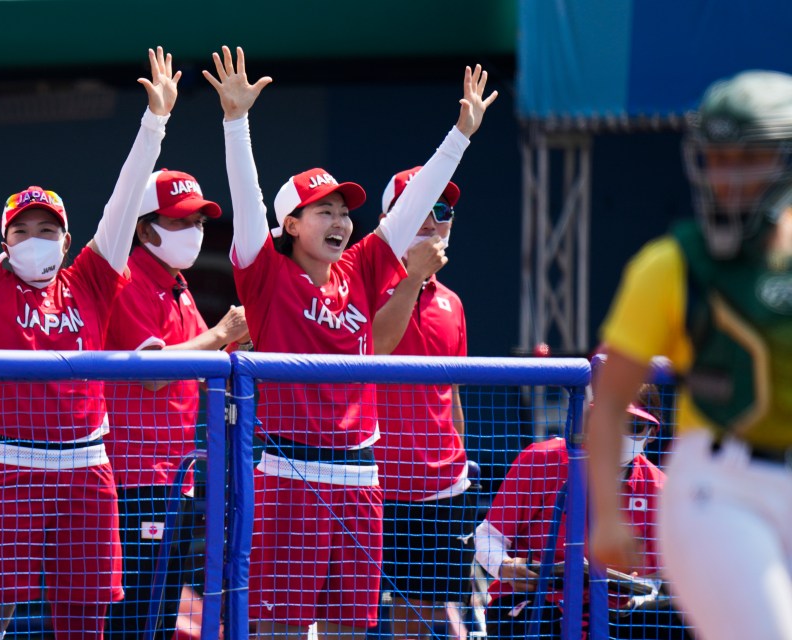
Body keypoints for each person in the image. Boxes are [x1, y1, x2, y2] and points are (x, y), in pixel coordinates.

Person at [202, 45, 497, 639]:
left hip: (362, 476)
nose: (340, 222)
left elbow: (415, 204)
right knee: (278, 630)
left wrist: (461, 134)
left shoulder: (360, 269)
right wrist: (237, 122)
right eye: (323, 212)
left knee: (350, 630)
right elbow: (246, 200)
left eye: (343, 212)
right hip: (290, 473)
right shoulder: (265, 274)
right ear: (289, 226)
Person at [0, 44, 180, 640]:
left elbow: (123, 197)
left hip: (89, 467)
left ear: (66, 240)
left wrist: (154, 121)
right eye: (22, 230)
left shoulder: (91, 277)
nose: (36, 238)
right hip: (5, 466)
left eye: (48, 229)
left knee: (84, 624)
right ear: (4, 243)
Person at [588, 69, 792, 640]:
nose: (728, 177)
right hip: (721, 490)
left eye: (749, 157)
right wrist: (608, 510)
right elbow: (608, 405)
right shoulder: (673, 264)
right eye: (718, 158)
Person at [104, 168, 249, 640]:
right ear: (145, 229)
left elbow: (209, 355)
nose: (194, 232)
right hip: (135, 479)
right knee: (135, 618)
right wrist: (223, 334)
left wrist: (236, 344)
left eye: (199, 222)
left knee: (159, 615)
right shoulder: (126, 279)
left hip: (174, 475)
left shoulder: (178, 285)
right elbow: (154, 374)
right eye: (181, 221)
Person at [475, 384, 692, 640]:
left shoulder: (660, 490)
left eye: (633, 424)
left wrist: (633, 596)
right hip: (531, 602)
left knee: (683, 617)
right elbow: (487, 537)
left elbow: (657, 580)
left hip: (613, 614)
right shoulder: (542, 459)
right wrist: (505, 566)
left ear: (652, 433)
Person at [371, 168, 475, 639]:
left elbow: (451, 393)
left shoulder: (452, 302)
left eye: (443, 210)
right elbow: (374, 347)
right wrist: (411, 277)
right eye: (419, 209)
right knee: (348, 613)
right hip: (369, 484)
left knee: (421, 617)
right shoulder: (360, 284)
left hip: (440, 488)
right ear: (387, 220)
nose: (433, 221)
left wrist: (463, 462)